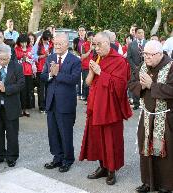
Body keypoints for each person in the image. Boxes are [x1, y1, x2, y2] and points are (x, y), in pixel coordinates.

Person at [79, 32, 132, 185]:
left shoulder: (119, 61)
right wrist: (92, 71)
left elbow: (120, 86)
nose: (96, 48)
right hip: (96, 105)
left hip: (110, 108)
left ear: (108, 43)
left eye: (99, 44)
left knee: (111, 139)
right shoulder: (97, 58)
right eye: (94, 44)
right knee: (98, 138)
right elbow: (89, 83)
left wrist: (100, 72)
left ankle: (111, 170)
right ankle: (102, 167)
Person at [129, 40, 173, 193]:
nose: (146, 57)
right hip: (147, 116)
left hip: (165, 118)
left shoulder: (171, 66)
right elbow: (131, 83)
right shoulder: (142, 66)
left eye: (150, 55)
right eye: (145, 54)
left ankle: (165, 186)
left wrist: (151, 85)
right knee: (145, 149)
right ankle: (147, 182)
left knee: (162, 151)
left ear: (160, 54)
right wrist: (141, 85)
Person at [41, 33, 81, 173]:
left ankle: (67, 159)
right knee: (53, 132)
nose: (56, 46)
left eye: (59, 44)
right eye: (55, 43)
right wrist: (51, 75)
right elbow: (43, 76)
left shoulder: (75, 60)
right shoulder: (50, 58)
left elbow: (74, 79)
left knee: (65, 132)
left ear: (66, 44)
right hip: (51, 102)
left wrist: (58, 74)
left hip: (65, 103)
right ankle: (57, 158)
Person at [15, 34, 36, 117]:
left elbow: (33, 60)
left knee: (28, 91)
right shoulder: (16, 49)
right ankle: (20, 109)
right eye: (22, 42)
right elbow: (15, 61)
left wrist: (27, 60)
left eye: (25, 42)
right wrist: (21, 60)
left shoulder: (30, 49)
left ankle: (26, 109)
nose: (24, 44)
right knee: (20, 92)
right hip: (20, 73)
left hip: (29, 73)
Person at [33, 30, 54, 113]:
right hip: (40, 69)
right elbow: (33, 56)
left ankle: (48, 106)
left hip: (50, 70)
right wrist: (43, 56)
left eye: (48, 39)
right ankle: (41, 107)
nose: (47, 41)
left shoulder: (52, 44)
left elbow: (55, 55)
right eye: (45, 40)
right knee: (41, 89)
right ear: (42, 38)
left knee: (49, 89)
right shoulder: (38, 44)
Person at [127, 27, 147, 110]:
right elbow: (129, 57)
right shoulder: (131, 44)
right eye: (139, 32)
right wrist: (134, 67)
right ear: (135, 34)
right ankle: (136, 103)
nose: (141, 34)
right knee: (135, 85)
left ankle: (145, 103)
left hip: (145, 68)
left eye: (142, 32)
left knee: (145, 85)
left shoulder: (147, 43)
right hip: (134, 68)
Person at [80, 31, 95, 103]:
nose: (91, 40)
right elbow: (82, 56)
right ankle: (86, 97)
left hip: (94, 65)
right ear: (87, 38)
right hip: (85, 66)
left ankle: (92, 98)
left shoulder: (96, 45)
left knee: (93, 83)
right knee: (86, 82)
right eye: (90, 38)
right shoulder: (84, 45)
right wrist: (90, 50)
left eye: (92, 38)